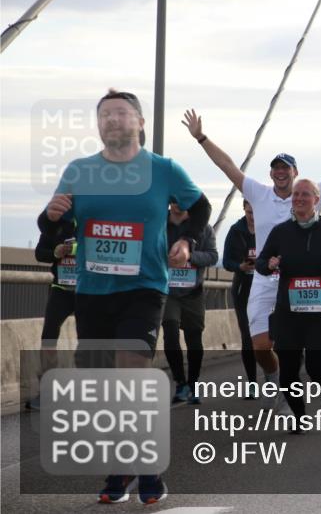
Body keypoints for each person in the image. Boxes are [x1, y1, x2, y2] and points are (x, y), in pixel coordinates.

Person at [42, 89, 210, 504]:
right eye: (105, 115)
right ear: (99, 126)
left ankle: (148, 471)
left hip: (145, 288)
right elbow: (53, 230)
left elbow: (201, 208)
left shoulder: (164, 169)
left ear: (140, 123)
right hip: (93, 292)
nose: (112, 119)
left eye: (121, 112)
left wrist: (187, 241)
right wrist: (51, 217)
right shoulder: (79, 171)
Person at [182, 109, 321, 404]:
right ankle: (276, 378)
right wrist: (201, 138)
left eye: (286, 168)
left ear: (295, 172)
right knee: (259, 346)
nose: (280, 172)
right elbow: (228, 166)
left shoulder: (311, 193)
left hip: (304, 282)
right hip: (266, 279)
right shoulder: (258, 193)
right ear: (271, 173)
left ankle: (294, 389)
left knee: (305, 348)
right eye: (276, 168)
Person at [256, 179, 321, 428]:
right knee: (288, 372)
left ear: (316, 200)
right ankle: (299, 416)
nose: (298, 198)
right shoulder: (281, 231)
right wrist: (269, 264)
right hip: (289, 312)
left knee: (317, 366)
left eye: (305, 194)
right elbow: (261, 261)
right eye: (296, 194)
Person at [163, 201, 218, 404]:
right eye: (174, 199)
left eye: (183, 199)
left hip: (193, 292)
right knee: (170, 334)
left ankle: (193, 384)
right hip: (167, 291)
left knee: (194, 341)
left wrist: (188, 256)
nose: (179, 204)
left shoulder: (203, 228)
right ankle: (180, 383)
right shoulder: (159, 223)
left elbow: (213, 257)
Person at [26, 215, 77, 410]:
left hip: (87, 290)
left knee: (90, 338)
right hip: (61, 289)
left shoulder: (91, 220)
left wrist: (75, 249)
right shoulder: (55, 224)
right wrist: (55, 253)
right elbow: (40, 253)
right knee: (48, 336)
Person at [221, 199, 259, 396]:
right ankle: (252, 383)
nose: (252, 216)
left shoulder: (269, 229)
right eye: (249, 212)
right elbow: (227, 261)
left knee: (272, 336)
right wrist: (240, 267)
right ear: (244, 210)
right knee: (248, 337)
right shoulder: (236, 230)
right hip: (243, 288)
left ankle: (276, 377)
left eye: (255, 212)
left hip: (266, 289)